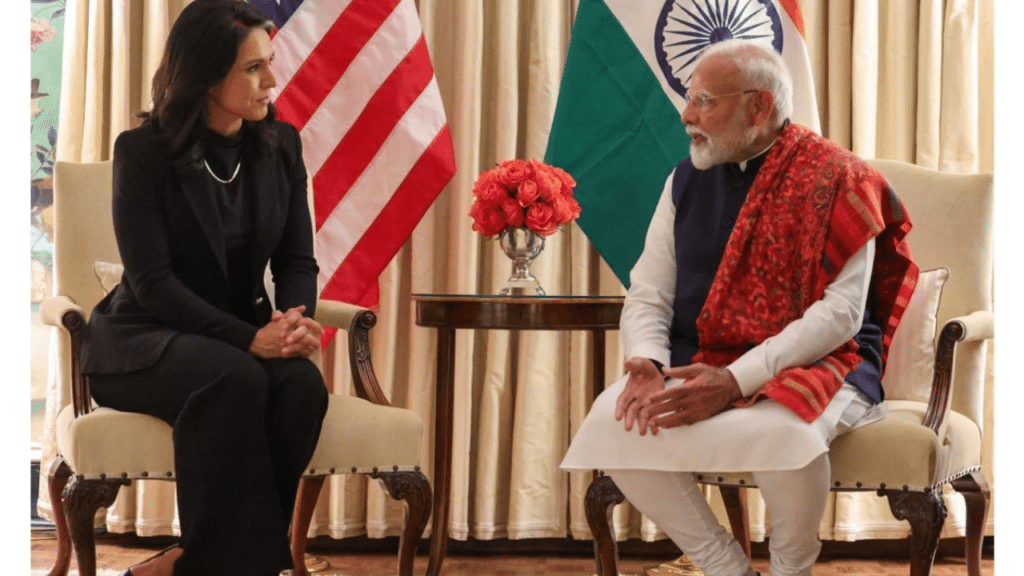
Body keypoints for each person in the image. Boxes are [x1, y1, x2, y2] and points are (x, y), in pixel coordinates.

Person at [561, 40, 918, 576]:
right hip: (701, 353)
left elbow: (841, 314)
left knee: (785, 433)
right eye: (690, 99)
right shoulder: (684, 179)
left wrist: (734, 379)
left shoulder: (841, 179)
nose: (686, 116)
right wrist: (647, 361)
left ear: (759, 107)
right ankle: (724, 565)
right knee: (617, 424)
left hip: (825, 359)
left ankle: (790, 569)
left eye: (704, 100)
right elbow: (650, 290)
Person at [81, 1, 328, 575]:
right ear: (204, 73)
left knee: (300, 388)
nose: (272, 81)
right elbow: (151, 283)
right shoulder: (142, 153)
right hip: (145, 339)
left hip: (236, 337)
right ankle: (249, 566)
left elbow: (298, 259)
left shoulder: (280, 146)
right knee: (235, 375)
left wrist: (290, 323)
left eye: (270, 63)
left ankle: (196, 564)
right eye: (252, 69)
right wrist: (251, 340)